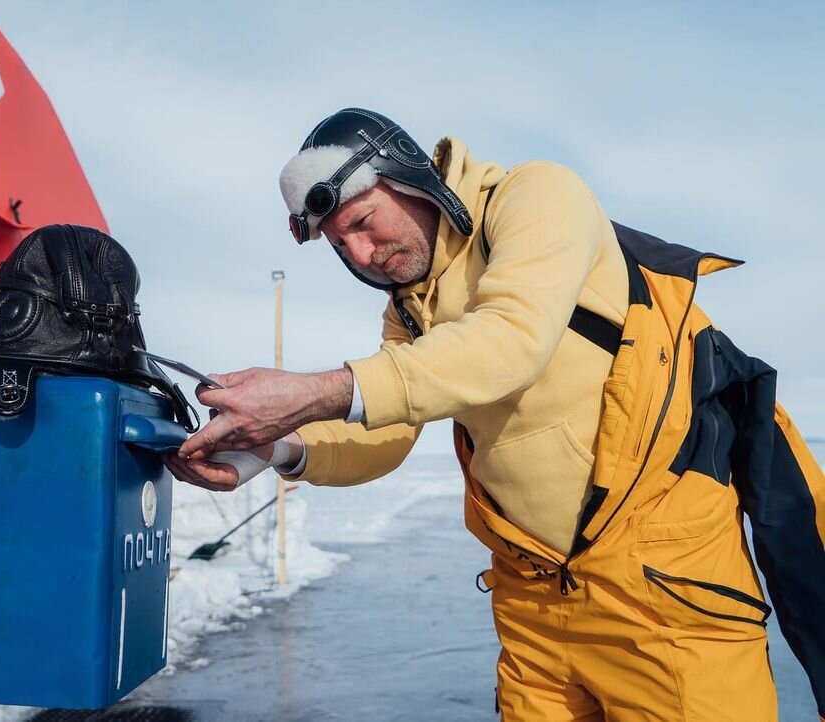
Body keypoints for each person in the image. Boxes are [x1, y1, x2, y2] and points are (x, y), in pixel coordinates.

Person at [164, 108, 824, 721]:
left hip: (663, 595)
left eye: (363, 224)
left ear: (406, 175)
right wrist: (274, 449)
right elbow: (388, 430)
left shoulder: (538, 197)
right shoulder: (410, 310)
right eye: (341, 246)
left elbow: (509, 342)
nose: (360, 256)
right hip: (535, 606)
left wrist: (314, 391)